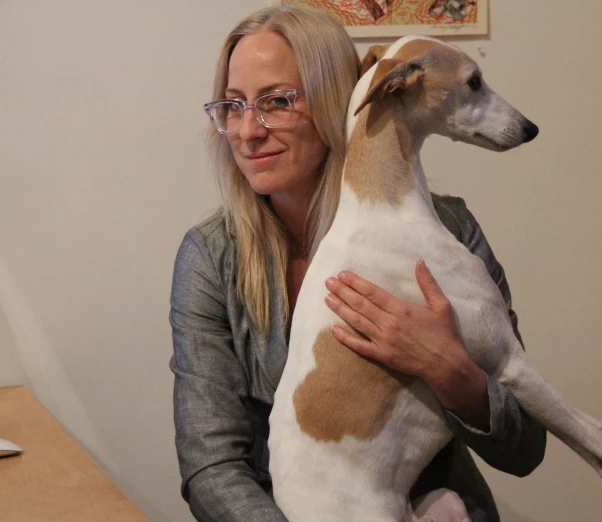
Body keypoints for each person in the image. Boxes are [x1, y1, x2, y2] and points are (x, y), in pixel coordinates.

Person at [169, 5, 546, 522]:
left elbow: (525, 448)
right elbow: (211, 466)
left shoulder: (449, 232)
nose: (247, 131)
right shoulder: (211, 259)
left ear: (336, 103)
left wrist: (448, 369)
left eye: (277, 101)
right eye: (233, 105)